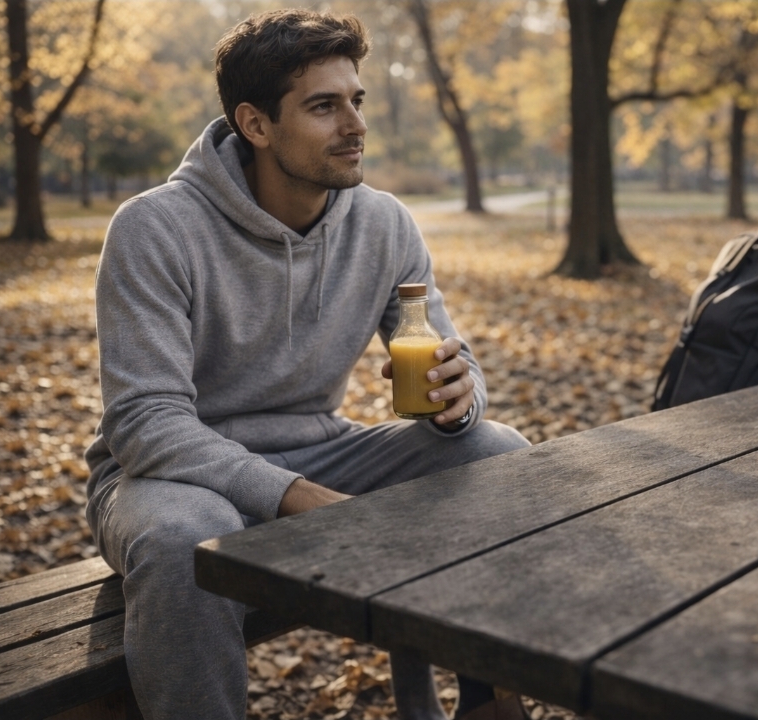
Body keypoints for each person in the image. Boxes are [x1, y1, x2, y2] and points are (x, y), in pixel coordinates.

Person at [83, 8, 530, 720]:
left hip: (320, 451)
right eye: (324, 107)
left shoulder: (384, 223)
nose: (354, 125)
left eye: (356, 100)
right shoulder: (155, 228)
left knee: (498, 451)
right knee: (182, 540)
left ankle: (487, 705)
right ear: (256, 125)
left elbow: (451, 354)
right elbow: (145, 424)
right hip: (166, 478)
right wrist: (296, 497)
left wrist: (459, 395)